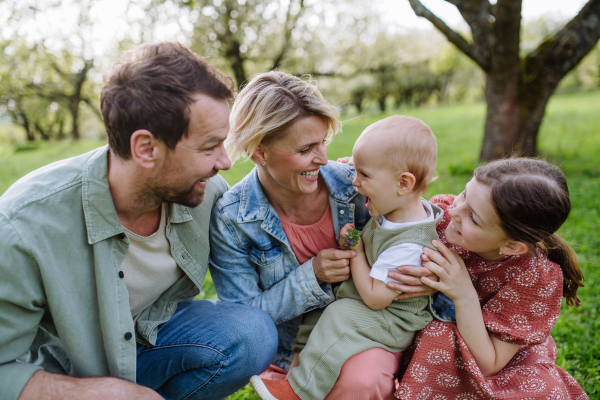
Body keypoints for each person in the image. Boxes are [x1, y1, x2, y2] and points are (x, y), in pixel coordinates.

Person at [0, 42, 278, 400]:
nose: (224, 162)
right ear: (146, 148)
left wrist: (347, 180)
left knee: (251, 333)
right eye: (210, 147)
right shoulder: (23, 225)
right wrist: (102, 394)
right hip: (61, 373)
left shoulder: (206, 192)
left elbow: (269, 216)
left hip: (146, 343)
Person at [209, 72, 437, 399]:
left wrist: (432, 273)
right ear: (260, 153)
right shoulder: (233, 219)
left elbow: (416, 212)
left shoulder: (352, 183)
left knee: (362, 380)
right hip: (296, 345)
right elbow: (243, 319)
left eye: (323, 142)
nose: (323, 159)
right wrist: (311, 277)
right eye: (306, 149)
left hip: (371, 328)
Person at [249, 115, 443, 400]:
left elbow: (375, 298)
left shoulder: (409, 244)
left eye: (363, 175)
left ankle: (299, 390)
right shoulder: (397, 208)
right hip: (376, 311)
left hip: (392, 320)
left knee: (338, 314)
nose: (355, 182)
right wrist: (363, 169)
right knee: (321, 312)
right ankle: (293, 373)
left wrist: (357, 252)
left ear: (403, 184)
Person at [395, 158, 588, 399]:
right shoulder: (437, 216)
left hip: (495, 358)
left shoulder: (535, 275)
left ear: (511, 246)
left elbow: (489, 363)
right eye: (464, 194)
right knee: (438, 334)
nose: (454, 211)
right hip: (424, 331)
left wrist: (463, 293)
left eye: (474, 218)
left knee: (545, 391)